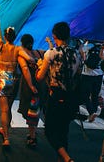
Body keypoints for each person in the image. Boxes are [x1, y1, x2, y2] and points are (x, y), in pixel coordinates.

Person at [36, 22, 81, 162]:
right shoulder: (77, 54)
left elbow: (40, 77)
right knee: (63, 132)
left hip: (55, 97)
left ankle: (67, 159)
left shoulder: (51, 53)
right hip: (70, 97)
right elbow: (78, 76)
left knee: (49, 131)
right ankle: (62, 158)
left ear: (54, 35)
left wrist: (39, 67)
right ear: (68, 36)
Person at [0, 3, 31, 146]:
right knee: (8, 107)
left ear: (5, 36)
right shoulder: (18, 49)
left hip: (2, 78)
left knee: (4, 109)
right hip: (14, 80)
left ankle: (6, 138)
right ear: (15, 37)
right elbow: (29, 58)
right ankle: (4, 129)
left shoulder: (0, 45)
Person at [17, 34, 46, 148]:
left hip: (29, 86)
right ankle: (33, 133)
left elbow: (25, 70)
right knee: (36, 109)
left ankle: (32, 136)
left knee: (30, 112)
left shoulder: (22, 56)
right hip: (41, 84)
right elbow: (50, 53)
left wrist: (30, 85)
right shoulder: (39, 53)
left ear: (22, 43)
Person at [80, 41, 104, 122]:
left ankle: (91, 112)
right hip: (99, 75)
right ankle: (93, 113)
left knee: (85, 95)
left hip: (87, 74)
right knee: (95, 95)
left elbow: (81, 52)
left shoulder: (87, 46)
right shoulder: (102, 48)